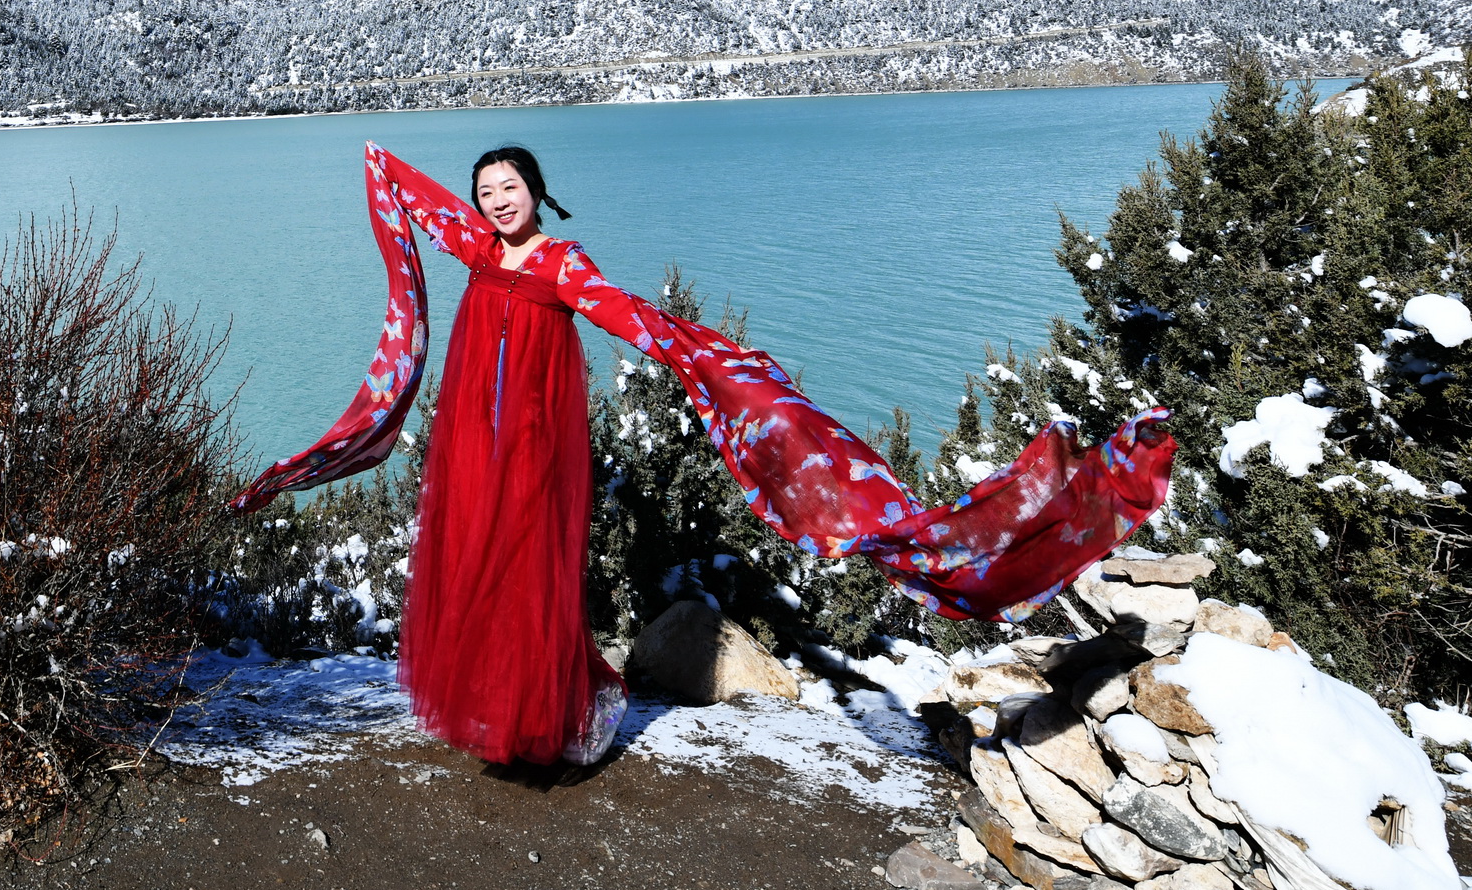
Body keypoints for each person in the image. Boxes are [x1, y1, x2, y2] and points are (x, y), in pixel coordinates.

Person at [229, 141, 1174, 770]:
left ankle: (540, 719)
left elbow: (637, 322)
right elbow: (393, 182)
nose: (494, 200)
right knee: (471, 558)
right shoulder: (478, 248)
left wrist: (714, 360)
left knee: (527, 563)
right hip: (471, 435)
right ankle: (489, 705)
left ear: (536, 190)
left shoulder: (564, 267)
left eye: (508, 187)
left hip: (535, 443)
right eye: (484, 192)